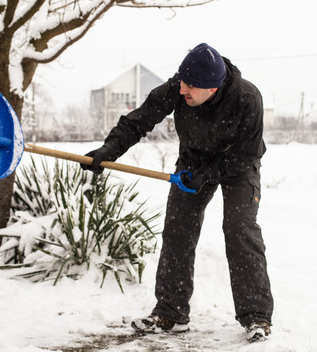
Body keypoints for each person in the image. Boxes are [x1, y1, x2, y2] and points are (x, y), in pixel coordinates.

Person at [80, 43, 274, 343]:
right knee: (177, 231)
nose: (182, 90)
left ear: (213, 87)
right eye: (182, 81)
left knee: (239, 229)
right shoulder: (179, 86)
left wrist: (208, 174)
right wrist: (109, 149)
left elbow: (247, 154)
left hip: (238, 167)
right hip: (192, 162)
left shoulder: (247, 98)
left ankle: (257, 317)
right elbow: (139, 120)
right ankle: (170, 312)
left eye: (191, 86)